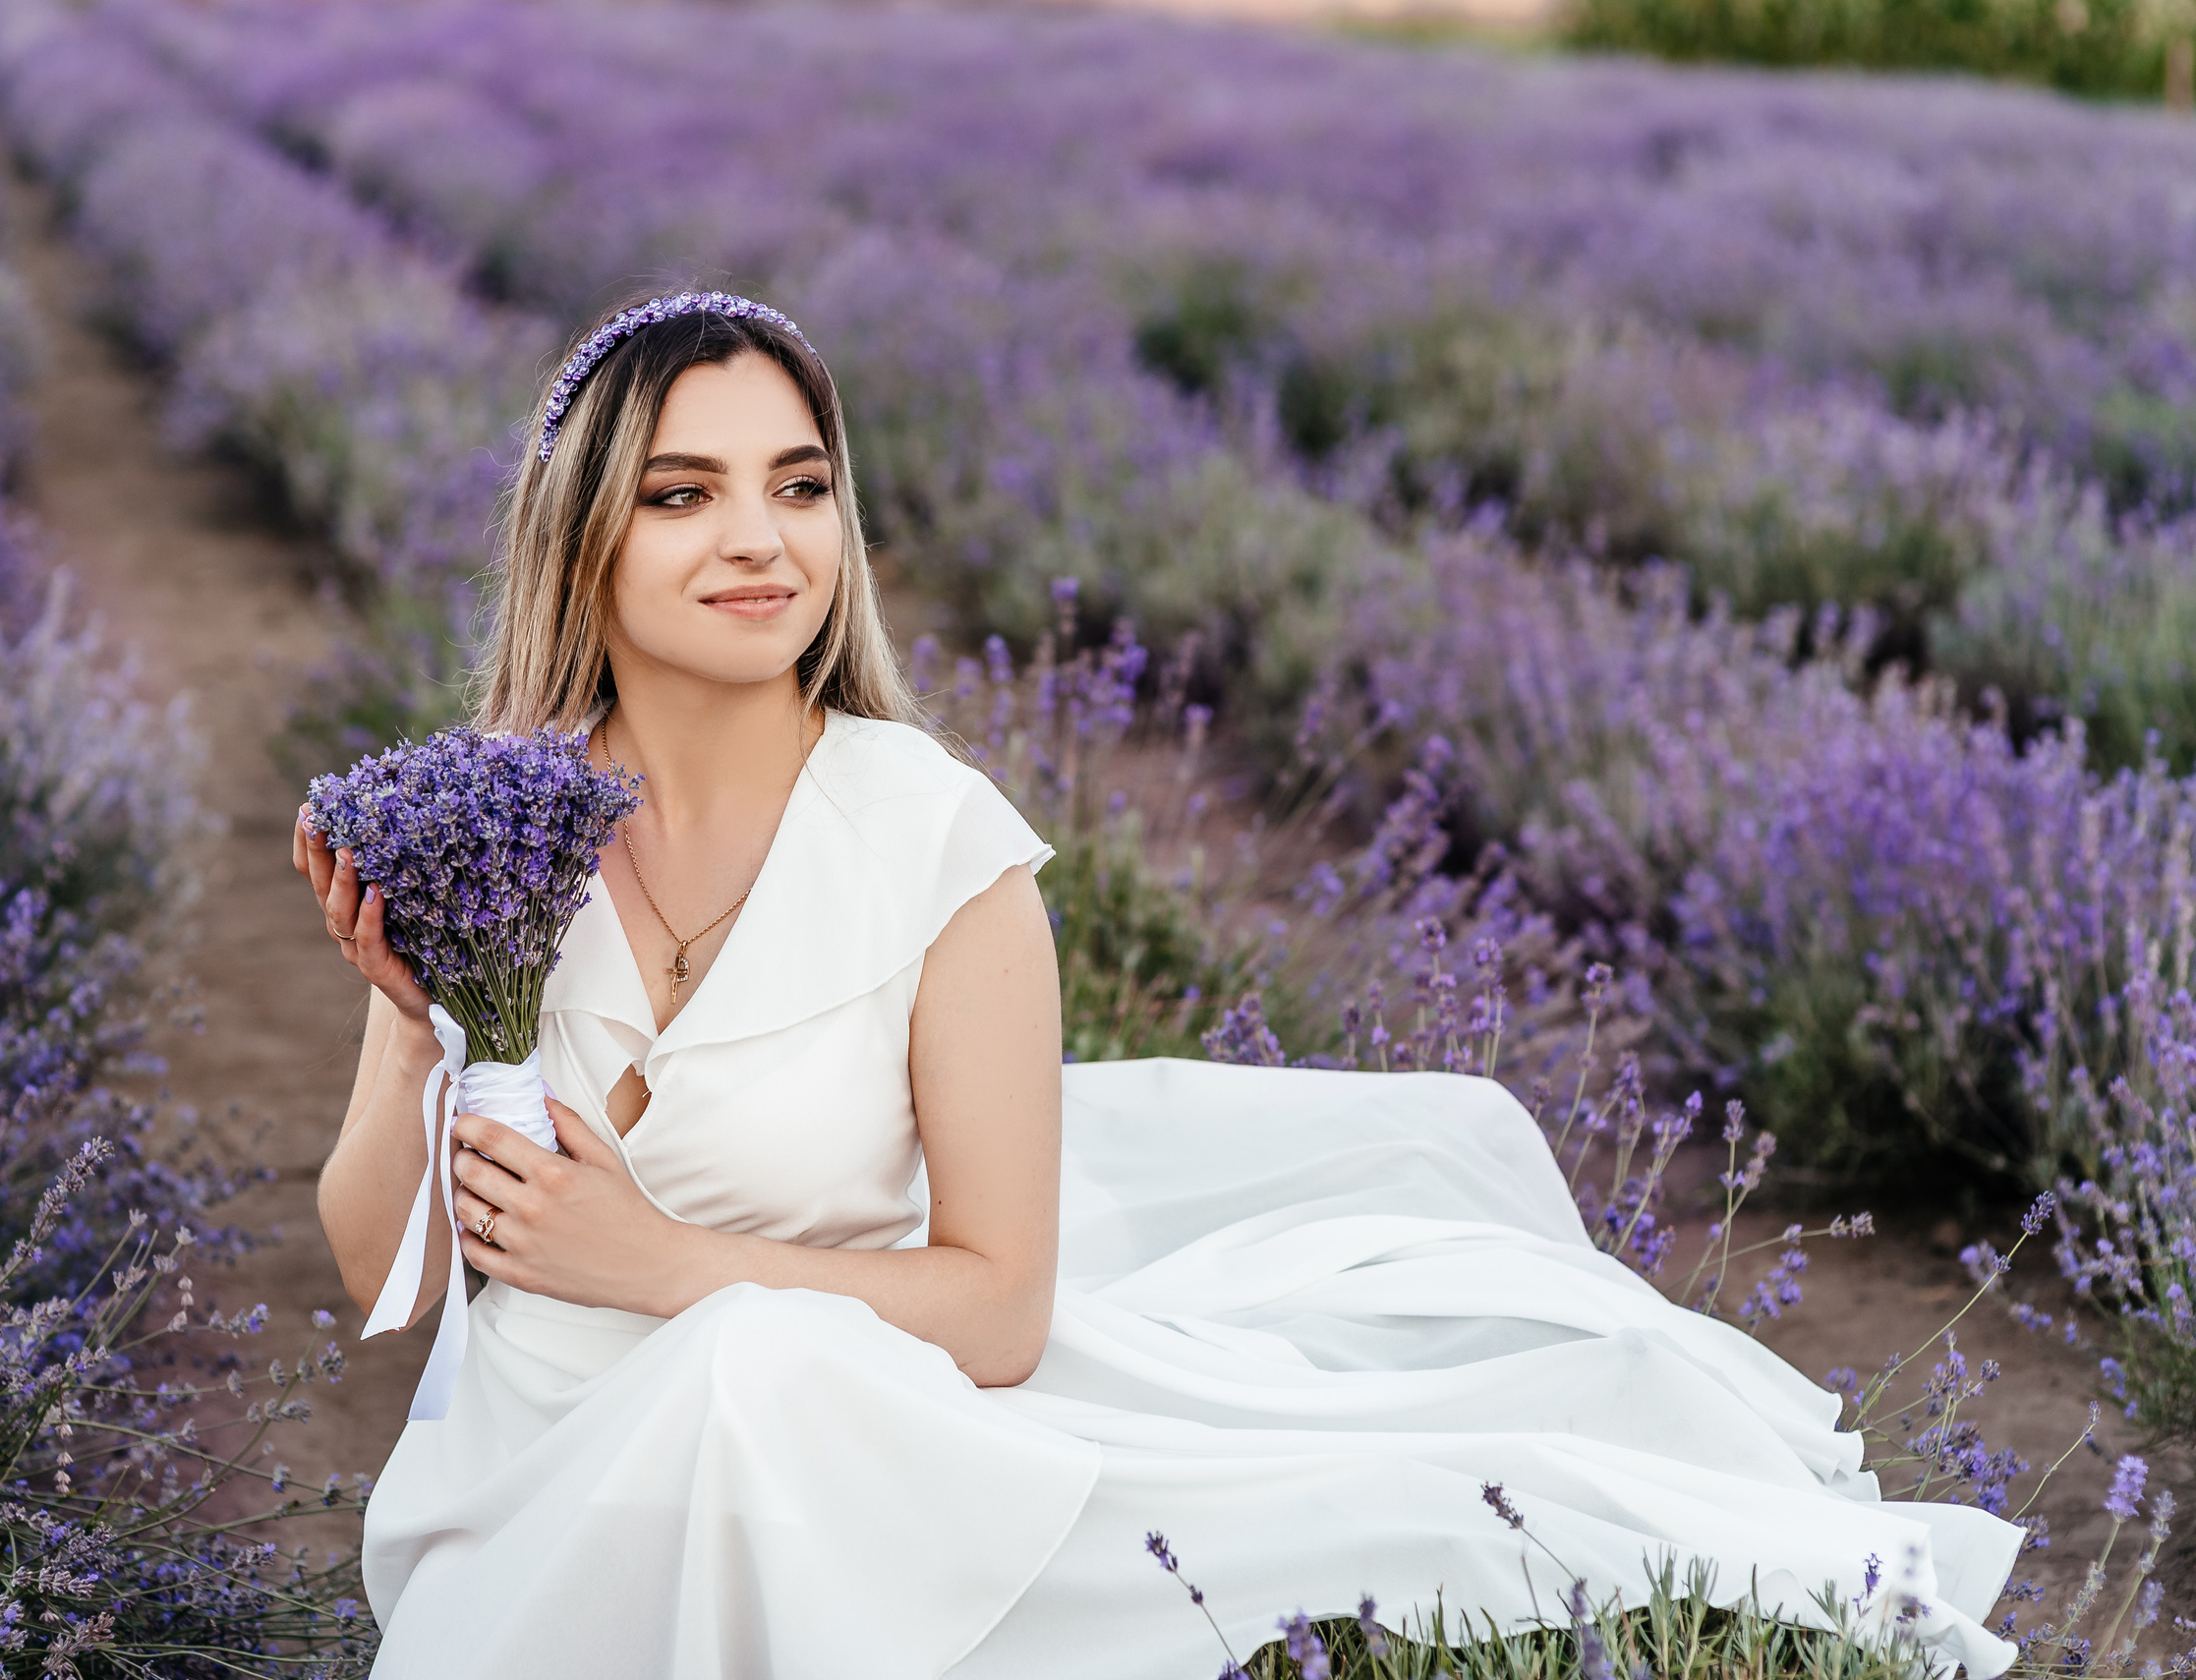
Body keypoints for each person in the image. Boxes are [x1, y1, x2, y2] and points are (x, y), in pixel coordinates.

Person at [293, 290, 2022, 1679]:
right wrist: (407, 997)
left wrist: (668, 1268)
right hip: (540, 1469)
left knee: (755, 1376)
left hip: (836, 1456)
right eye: (685, 492)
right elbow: (390, 1268)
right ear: (583, 534)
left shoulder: (940, 845)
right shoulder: (492, 822)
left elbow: (998, 1310)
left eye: (800, 483)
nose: (762, 539)